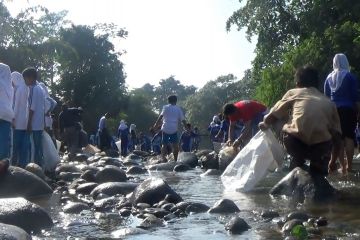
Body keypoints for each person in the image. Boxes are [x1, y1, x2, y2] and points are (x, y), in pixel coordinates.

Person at [259, 66, 342, 176]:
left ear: (297, 83)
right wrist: (332, 162)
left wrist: (264, 124)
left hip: (295, 143)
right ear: (317, 84)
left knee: (278, 121)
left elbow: (271, 117)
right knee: (320, 165)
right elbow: (337, 138)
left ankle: (297, 161)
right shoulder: (329, 103)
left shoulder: (293, 93)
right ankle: (317, 164)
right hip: (320, 147)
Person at [324, 53, 360, 174]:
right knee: (349, 137)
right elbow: (355, 97)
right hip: (348, 110)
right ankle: (349, 167)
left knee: (338, 139)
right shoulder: (350, 77)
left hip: (333, 110)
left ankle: (342, 167)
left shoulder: (328, 78)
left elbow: (326, 98)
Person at [23, 67, 45, 167]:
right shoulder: (41, 88)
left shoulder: (33, 89)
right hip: (40, 123)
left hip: (34, 123)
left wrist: (28, 123)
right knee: (38, 147)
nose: (25, 81)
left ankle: (36, 167)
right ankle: (41, 167)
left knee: (33, 147)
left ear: (31, 77)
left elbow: (32, 108)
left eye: (26, 78)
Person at [153, 95, 187, 161]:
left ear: (168, 101)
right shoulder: (178, 108)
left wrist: (156, 124)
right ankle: (175, 159)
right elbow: (183, 120)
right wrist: (186, 128)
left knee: (164, 144)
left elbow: (160, 117)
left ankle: (163, 157)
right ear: (176, 101)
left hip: (165, 128)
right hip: (174, 129)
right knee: (175, 145)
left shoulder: (165, 107)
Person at [11, 71, 30, 168]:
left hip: (18, 122)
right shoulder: (26, 88)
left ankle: (13, 165)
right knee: (24, 147)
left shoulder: (19, 89)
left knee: (15, 146)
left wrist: (13, 119)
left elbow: (17, 106)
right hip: (25, 122)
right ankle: (23, 165)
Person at [0, 63, 14, 174]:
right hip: (6, 115)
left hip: (3, 115)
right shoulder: (9, 87)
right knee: (4, 142)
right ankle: (3, 163)